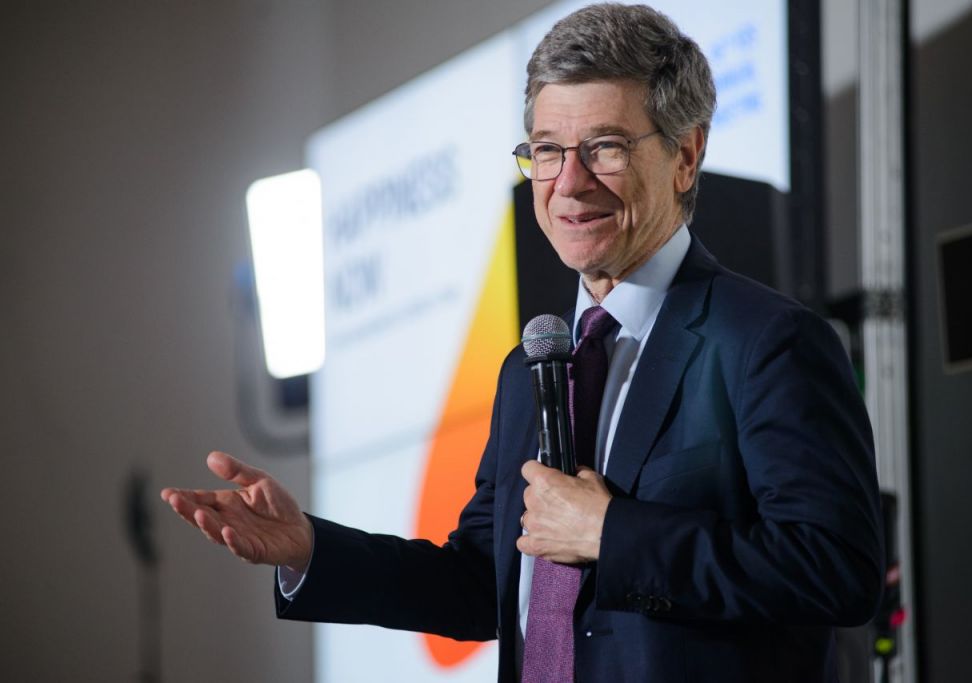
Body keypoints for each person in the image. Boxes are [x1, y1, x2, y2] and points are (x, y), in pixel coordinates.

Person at [162, 4, 884, 681]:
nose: (569, 183)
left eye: (604, 147)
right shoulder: (530, 367)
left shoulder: (768, 341)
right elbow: (482, 583)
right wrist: (311, 549)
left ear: (686, 156)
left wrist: (611, 532)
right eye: (546, 150)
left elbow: (836, 568)